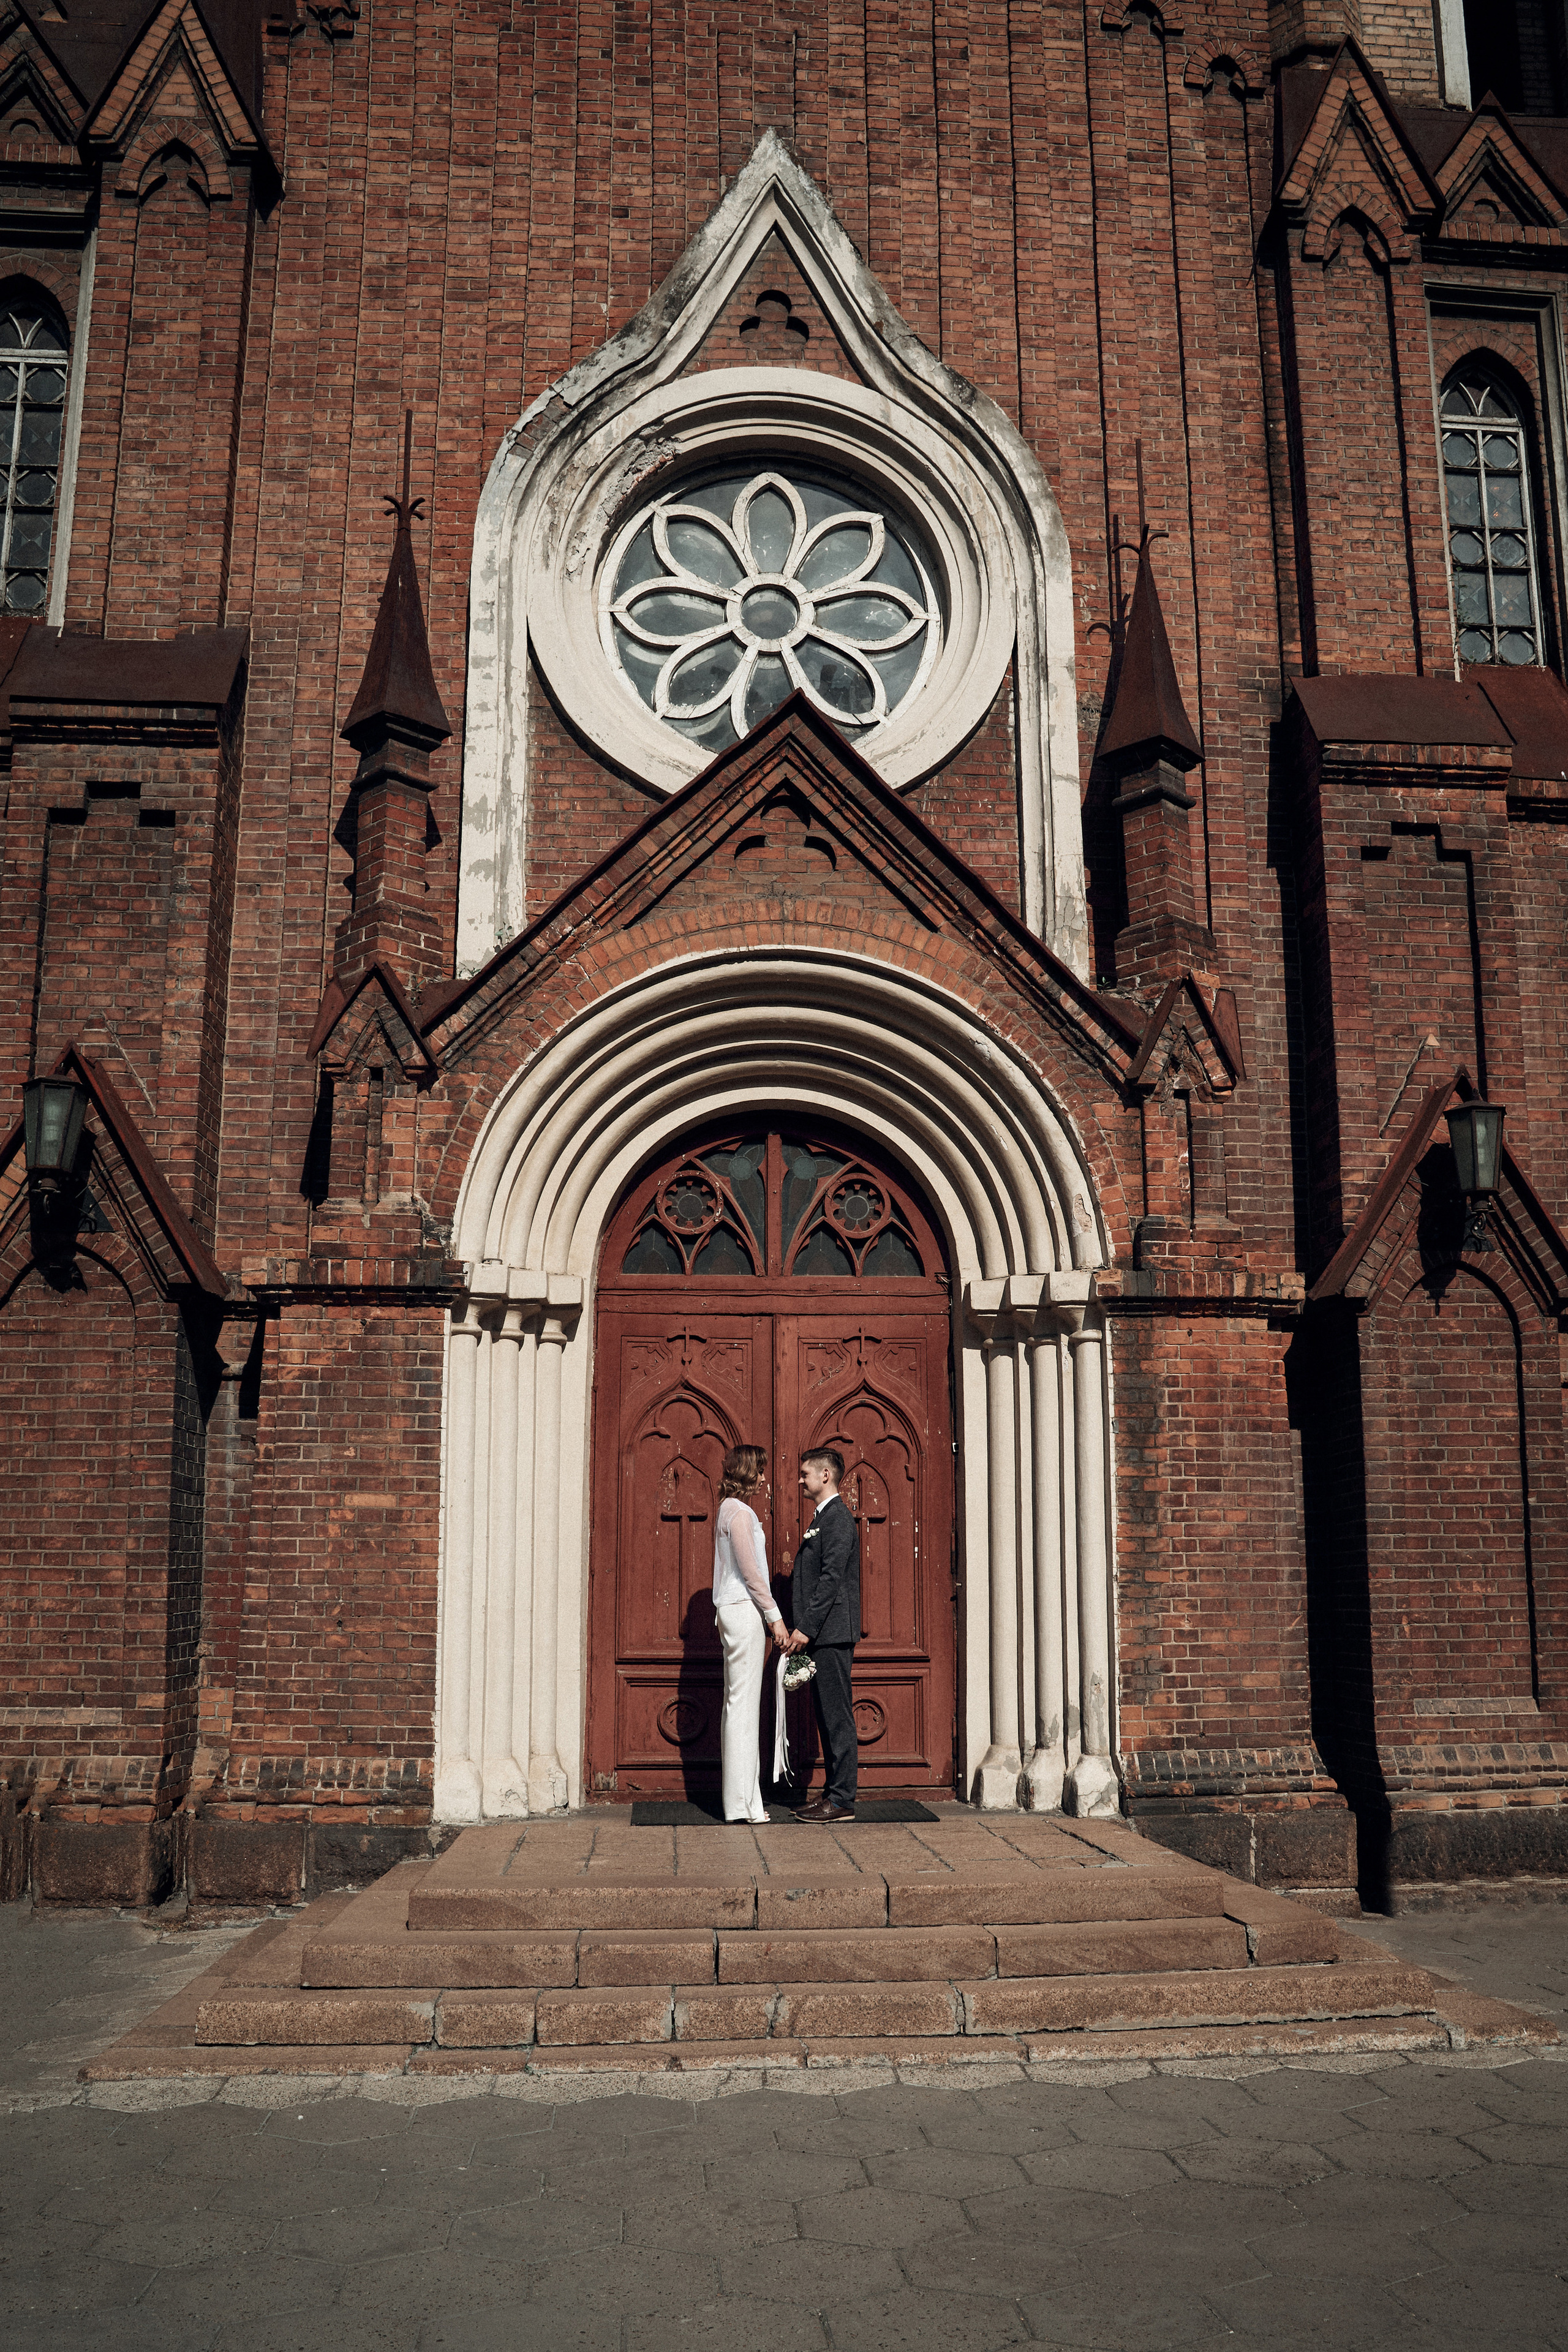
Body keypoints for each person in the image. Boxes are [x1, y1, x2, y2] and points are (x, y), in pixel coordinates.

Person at [780, 1447, 861, 1823]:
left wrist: (805, 1629)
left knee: (836, 1716)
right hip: (821, 1635)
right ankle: (832, 1793)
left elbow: (830, 1580)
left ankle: (843, 1798)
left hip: (829, 1634)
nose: (800, 1480)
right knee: (827, 1717)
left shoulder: (839, 1519)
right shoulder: (824, 1518)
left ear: (825, 1475)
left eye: (805, 1474)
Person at [712, 1444, 791, 1824]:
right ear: (745, 1474)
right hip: (744, 1612)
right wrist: (775, 1618)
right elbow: (752, 1573)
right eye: (759, 1471)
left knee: (736, 1706)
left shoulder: (728, 1510)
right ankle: (743, 1805)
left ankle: (742, 1801)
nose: (764, 1478)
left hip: (731, 1612)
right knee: (744, 1709)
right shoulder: (740, 1513)